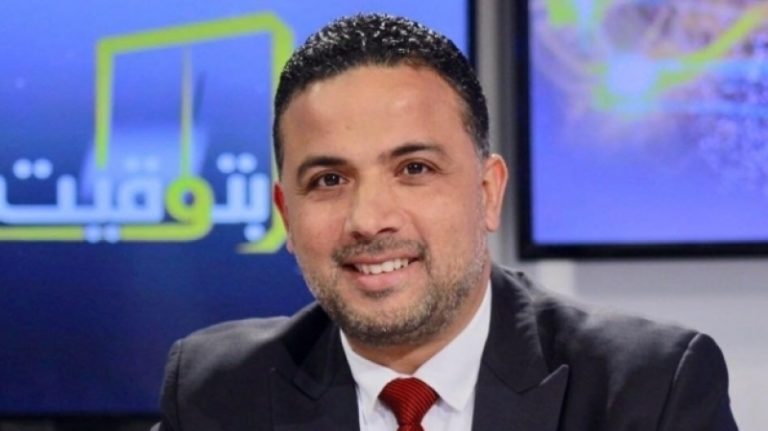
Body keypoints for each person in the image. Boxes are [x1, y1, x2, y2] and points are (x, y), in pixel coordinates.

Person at [151, 14, 738, 431]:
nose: (369, 219)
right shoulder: (217, 395)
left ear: (487, 192)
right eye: (329, 180)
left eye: (414, 168)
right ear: (286, 214)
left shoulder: (647, 391)